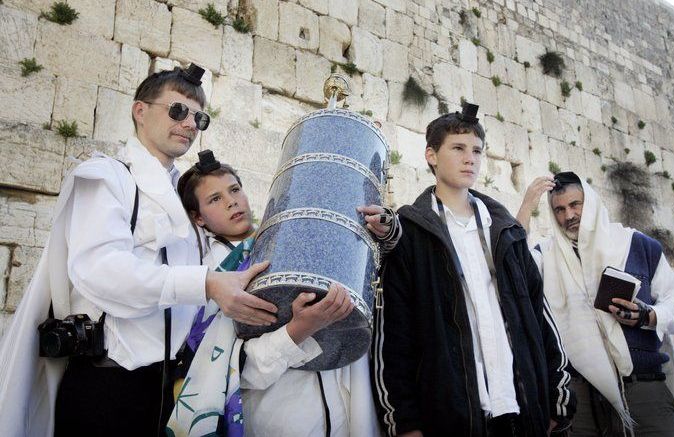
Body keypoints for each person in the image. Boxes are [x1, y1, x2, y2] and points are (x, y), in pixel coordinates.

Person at [0, 64, 279, 437]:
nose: (189, 124)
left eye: (199, 117)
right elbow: (101, 271)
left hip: (166, 388)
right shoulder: (107, 176)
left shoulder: (181, 194)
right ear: (140, 111)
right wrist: (208, 284)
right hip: (110, 387)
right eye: (177, 110)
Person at [371, 103, 575, 437]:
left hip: (523, 415)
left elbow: (541, 320)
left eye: (477, 151)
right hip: (452, 420)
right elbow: (392, 339)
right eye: (458, 148)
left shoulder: (506, 232)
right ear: (431, 155)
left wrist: (558, 404)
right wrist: (404, 425)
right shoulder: (411, 235)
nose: (471, 159)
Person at [166, 151, 393, 436]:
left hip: (345, 411)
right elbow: (230, 371)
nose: (231, 201)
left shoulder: (289, 238)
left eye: (234, 190)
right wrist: (299, 329)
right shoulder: (212, 279)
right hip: (279, 419)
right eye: (215, 199)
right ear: (198, 218)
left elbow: (364, 276)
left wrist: (384, 232)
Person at [517, 172, 674, 436]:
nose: (569, 216)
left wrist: (646, 316)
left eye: (575, 205)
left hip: (643, 386)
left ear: (590, 201)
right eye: (560, 209)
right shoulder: (547, 256)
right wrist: (526, 205)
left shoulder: (636, 245)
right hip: (581, 394)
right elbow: (513, 268)